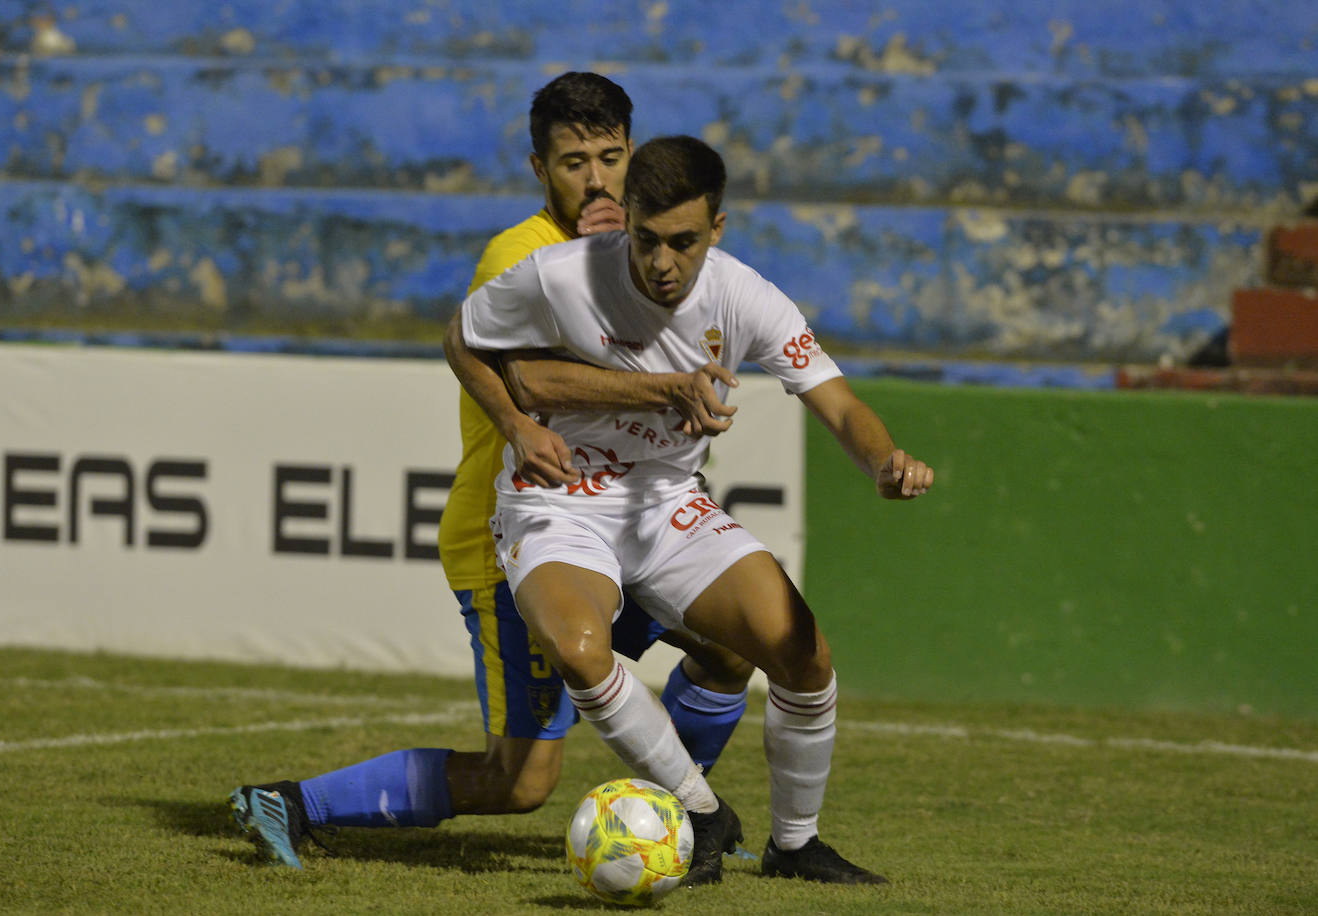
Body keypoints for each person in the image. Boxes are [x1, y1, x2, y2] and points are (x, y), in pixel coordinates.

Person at [227, 73, 754, 872]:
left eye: (613, 157)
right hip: (518, 539)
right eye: (575, 161)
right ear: (540, 170)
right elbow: (531, 379)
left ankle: (684, 820)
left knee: (729, 647)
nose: (599, 178)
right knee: (519, 782)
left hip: (620, 527)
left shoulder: (643, 252)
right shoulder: (524, 256)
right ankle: (292, 802)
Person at [448, 134, 935, 885]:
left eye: (683, 242)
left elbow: (836, 402)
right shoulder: (559, 275)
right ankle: (700, 811)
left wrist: (884, 460)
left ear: (718, 228)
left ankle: (796, 845)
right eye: (646, 240)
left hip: (670, 504)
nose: (662, 263)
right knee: (581, 648)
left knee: (804, 656)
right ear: (626, 219)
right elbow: (463, 338)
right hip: (559, 502)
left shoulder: (747, 297)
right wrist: (515, 426)